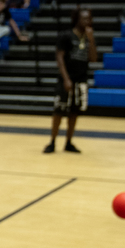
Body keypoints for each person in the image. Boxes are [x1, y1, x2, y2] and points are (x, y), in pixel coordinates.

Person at [46, 8, 96, 154]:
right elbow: (59, 57)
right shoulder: (66, 36)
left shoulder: (88, 37)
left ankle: (68, 142)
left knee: (74, 112)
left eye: (89, 18)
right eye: (84, 18)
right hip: (67, 79)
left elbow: (93, 58)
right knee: (59, 111)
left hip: (81, 79)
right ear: (77, 20)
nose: (87, 21)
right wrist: (66, 79)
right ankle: (52, 142)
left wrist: (91, 39)